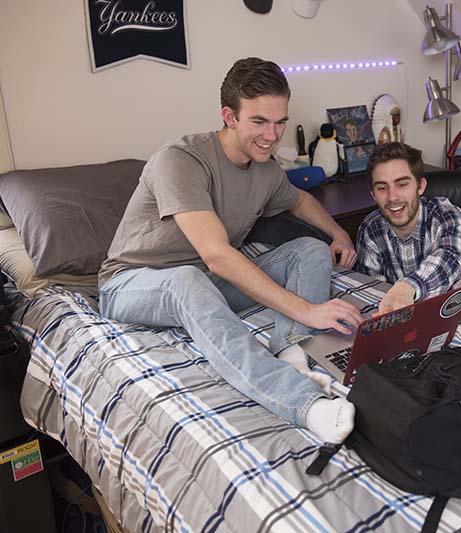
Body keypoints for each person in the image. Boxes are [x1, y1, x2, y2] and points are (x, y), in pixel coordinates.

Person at [98, 57, 361, 444]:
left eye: (280, 122)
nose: (272, 135)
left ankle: (291, 353)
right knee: (186, 280)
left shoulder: (266, 169)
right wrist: (307, 309)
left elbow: (299, 201)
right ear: (230, 116)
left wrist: (338, 233)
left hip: (207, 282)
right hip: (132, 283)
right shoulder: (181, 160)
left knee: (309, 248)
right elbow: (217, 256)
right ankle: (304, 403)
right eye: (259, 121)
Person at [354, 142, 461, 333]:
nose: (392, 197)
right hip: (417, 338)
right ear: (373, 195)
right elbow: (377, 295)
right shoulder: (370, 229)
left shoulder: (448, 216)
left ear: (420, 186)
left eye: (402, 184)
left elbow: (450, 259)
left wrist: (406, 288)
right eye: (382, 188)